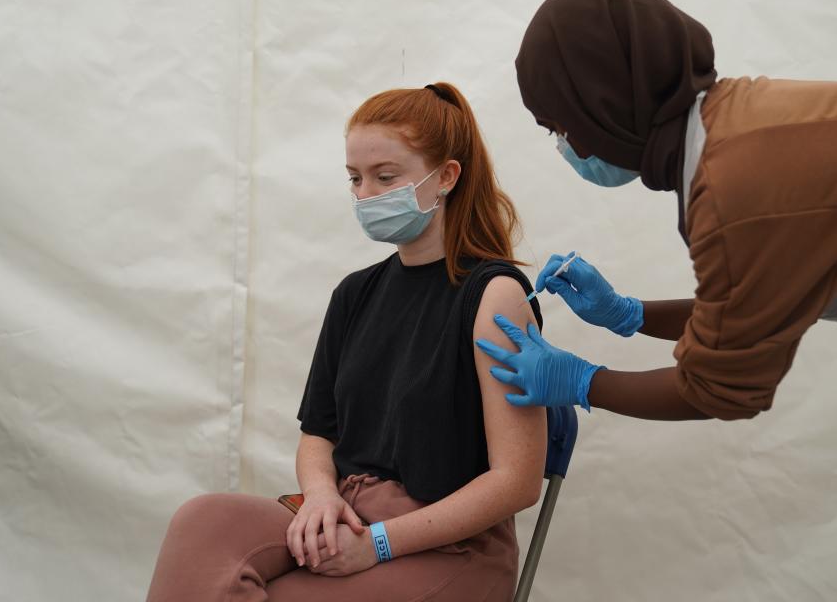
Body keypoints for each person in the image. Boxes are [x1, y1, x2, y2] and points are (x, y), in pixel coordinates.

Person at [475, 0, 837, 602]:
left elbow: (724, 388)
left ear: (603, 100)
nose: (565, 146)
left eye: (558, 124)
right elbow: (755, 305)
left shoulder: (734, 181)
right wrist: (630, 315)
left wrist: (582, 380)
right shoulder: (730, 128)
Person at [146, 82, 547, 601]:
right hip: (348, 513)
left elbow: (517, 481)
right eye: (355, 179)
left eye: (386, 177)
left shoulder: (495, 297)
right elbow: (319, 433)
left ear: (446, 176)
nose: (365, 195)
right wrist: (318, 497)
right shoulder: (355, 294)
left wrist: (380, 543)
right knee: (203, 521)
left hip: (450, 545)